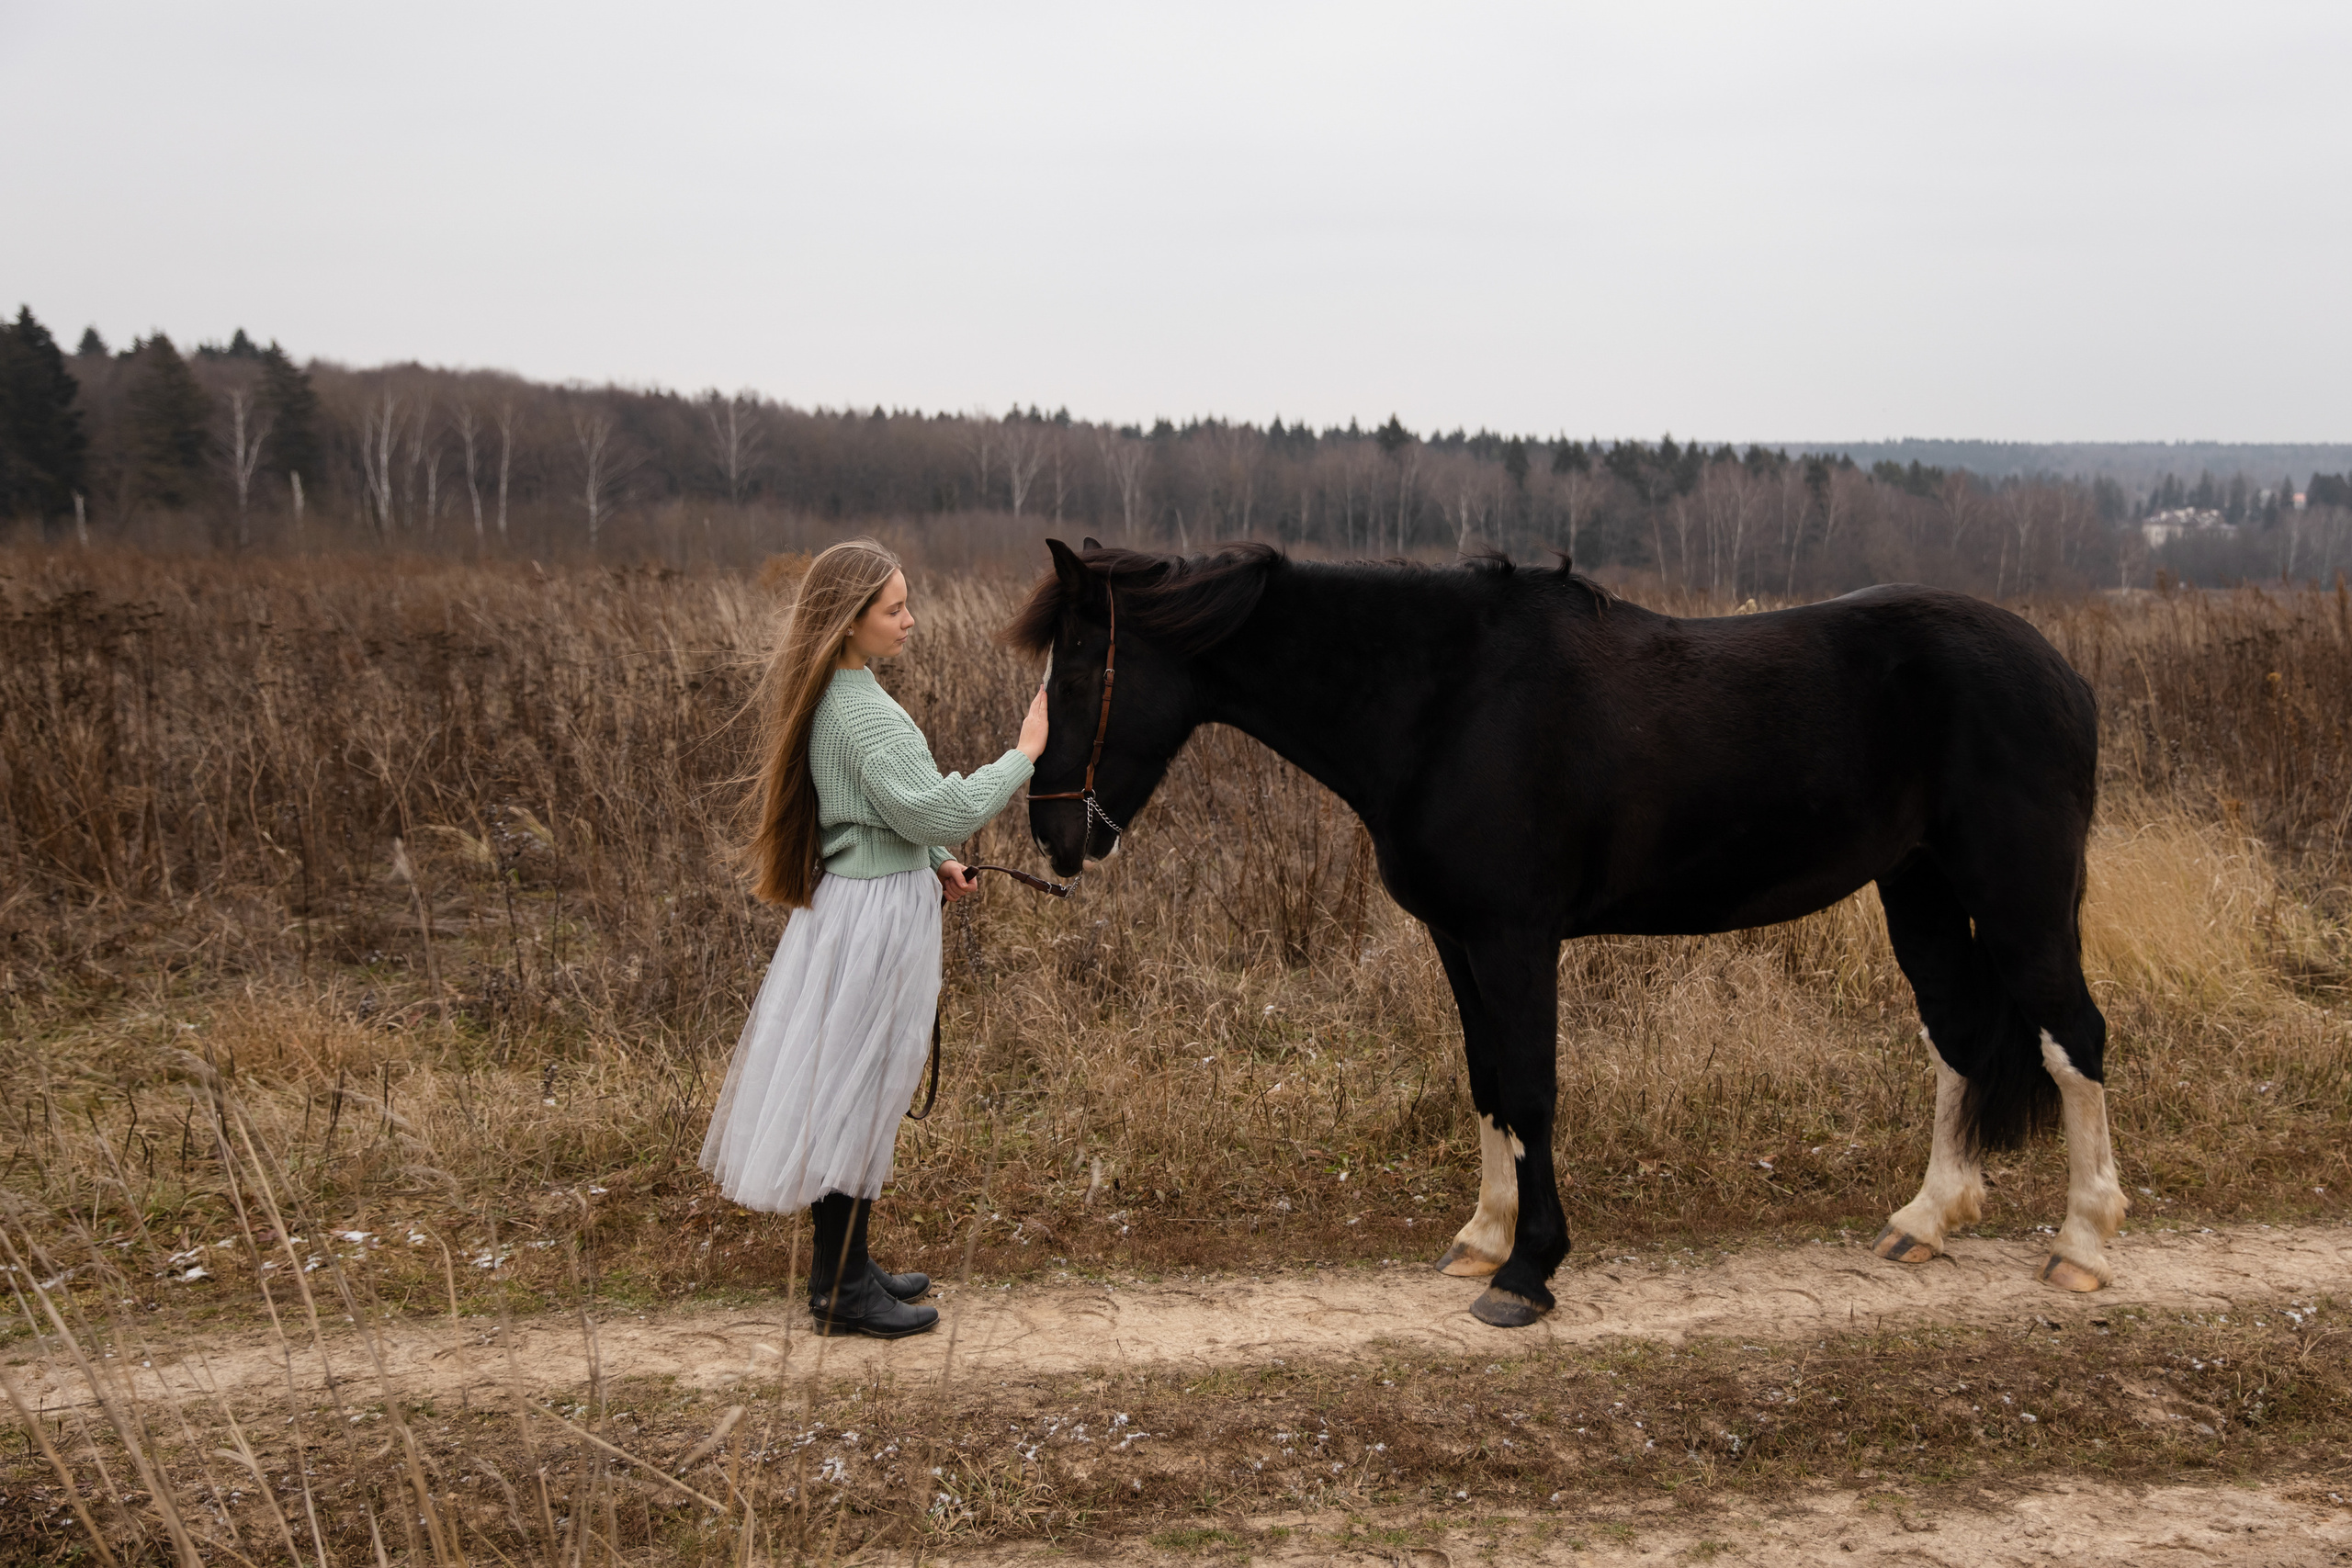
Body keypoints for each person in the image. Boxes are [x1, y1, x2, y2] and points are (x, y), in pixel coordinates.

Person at [701, 539, 1048, 1337]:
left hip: (862, 902)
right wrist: (1022, 755)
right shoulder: (857, 710)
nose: (910, 619)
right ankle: (842, 1287)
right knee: (858, 1089)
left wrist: (935, 862)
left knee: (857, 1085)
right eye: (895, 608)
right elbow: (931, 808)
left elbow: (890, 819)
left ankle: (845, 1269)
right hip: (872, 918)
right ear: (850, 619)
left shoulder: (840, 689)